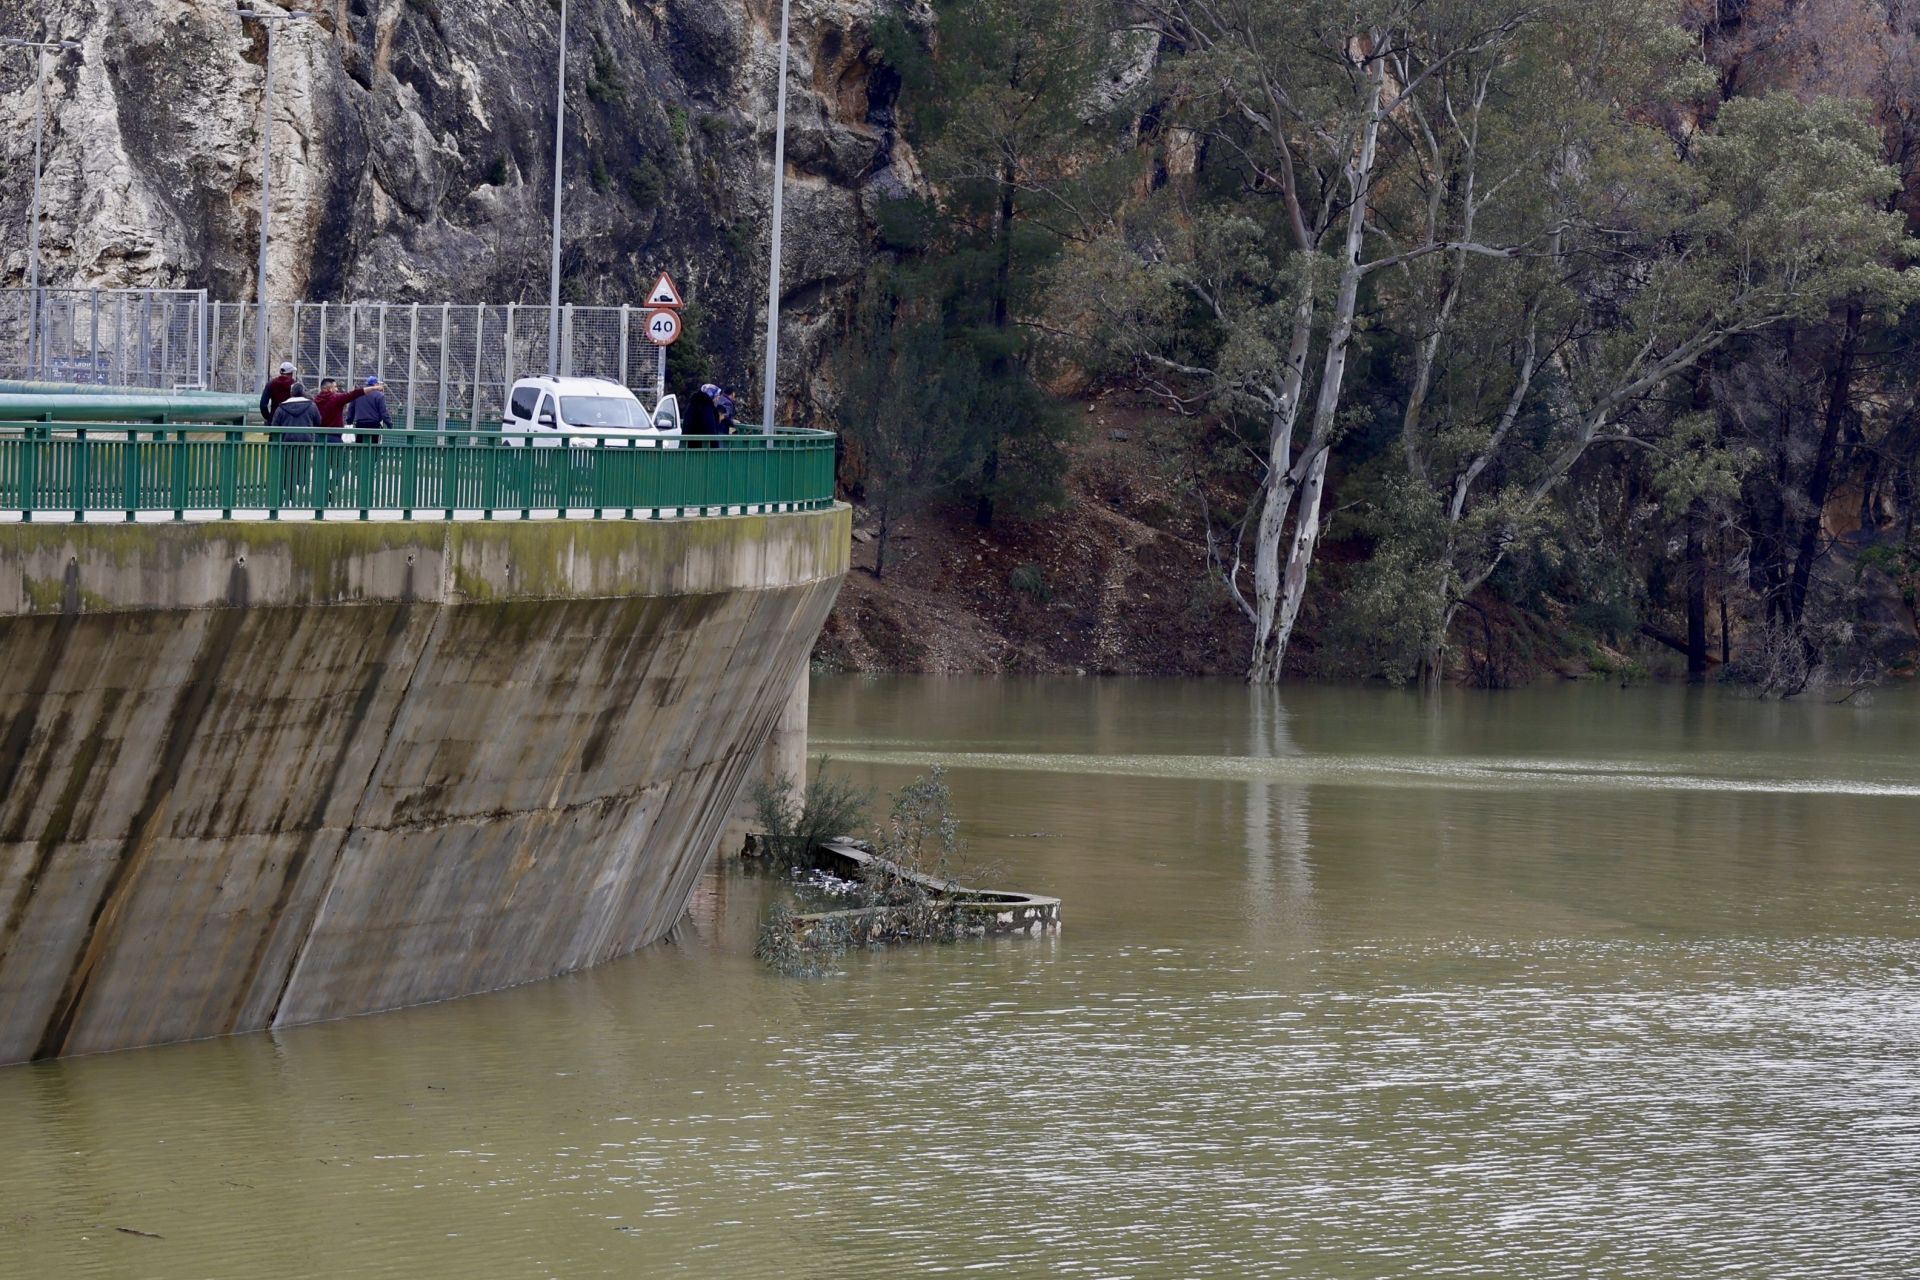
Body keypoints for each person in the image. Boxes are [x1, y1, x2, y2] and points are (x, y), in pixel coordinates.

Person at [312, 377, 367, 444]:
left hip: (318, 437)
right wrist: (373, 388)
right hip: (334, 437)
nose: (337, 389)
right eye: (335, 387)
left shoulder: (315, 401)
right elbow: (353, 394)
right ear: (329, 389)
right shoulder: (336, 399)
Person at [344, 375, 391, 444]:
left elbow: (351, 410)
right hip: (374, 425)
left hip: (360, 424)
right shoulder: (379, 395)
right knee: (373, 447)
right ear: (375, 384)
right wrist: (389, 424)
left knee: (360, 446)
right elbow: (383, 412)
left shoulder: (358, 394)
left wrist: (349, 422)